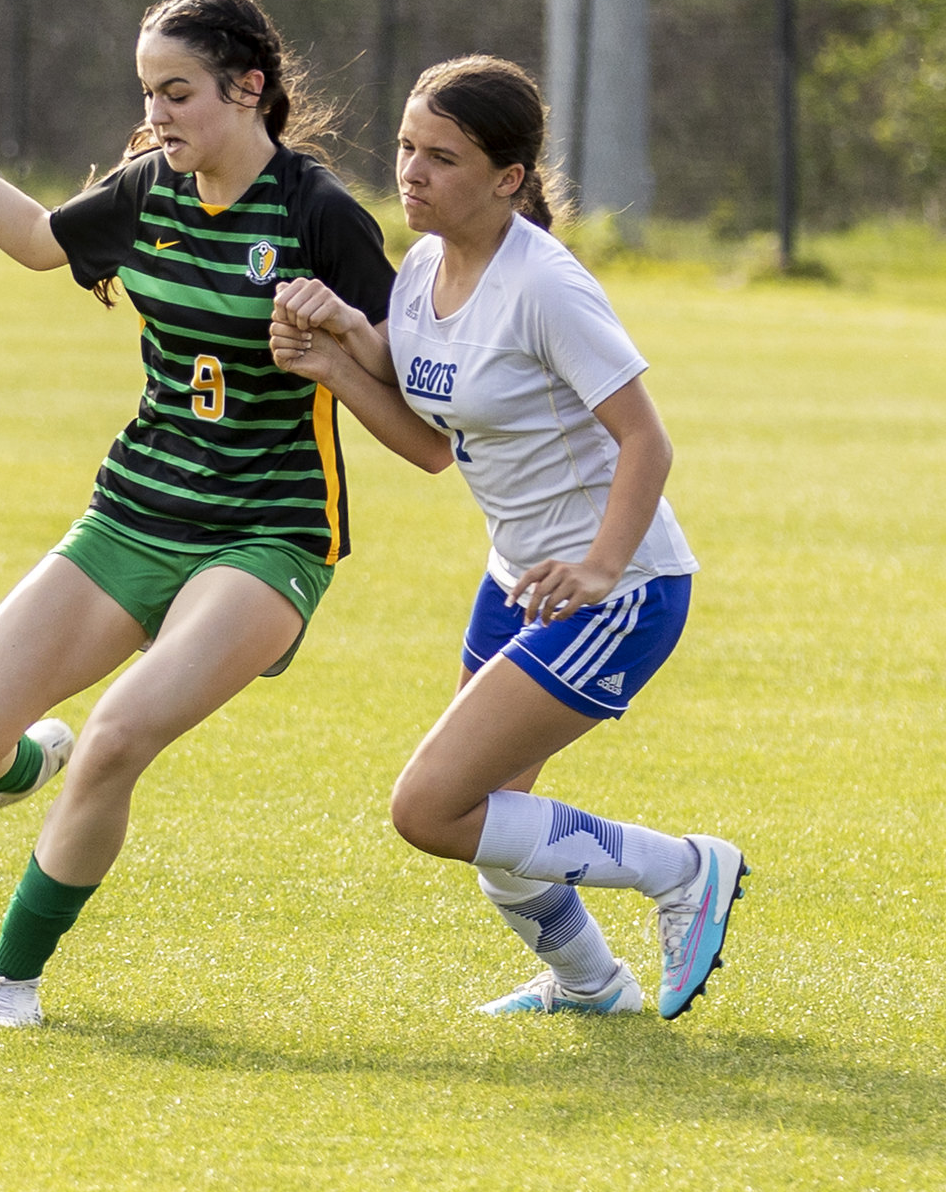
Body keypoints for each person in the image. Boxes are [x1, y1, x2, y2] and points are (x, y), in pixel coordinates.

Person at [0, 0, 396, 1028]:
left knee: (115, 737)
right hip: (134, 512)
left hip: (266, 535)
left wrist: (338, 344)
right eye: (148, 94)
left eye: (179, 92)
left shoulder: (316, 214)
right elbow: (31, 237)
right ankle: (24, 762)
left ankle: (6, 982)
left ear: (249, 88)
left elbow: (418, 383)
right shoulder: (149, 187)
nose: (158, 116)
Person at [270, 55, 746, 1019]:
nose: (412, 172)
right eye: (406, 148)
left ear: (509, 179)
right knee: (491, 823)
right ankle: (590, 987)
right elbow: (430, 444)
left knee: (430, 806)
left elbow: (646, 440)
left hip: (623, 587)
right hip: (520, 575)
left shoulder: (546, 285)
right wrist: (333, 360)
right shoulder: (418, 271)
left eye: (441, 157)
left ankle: (686, 869)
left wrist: (602, 565)